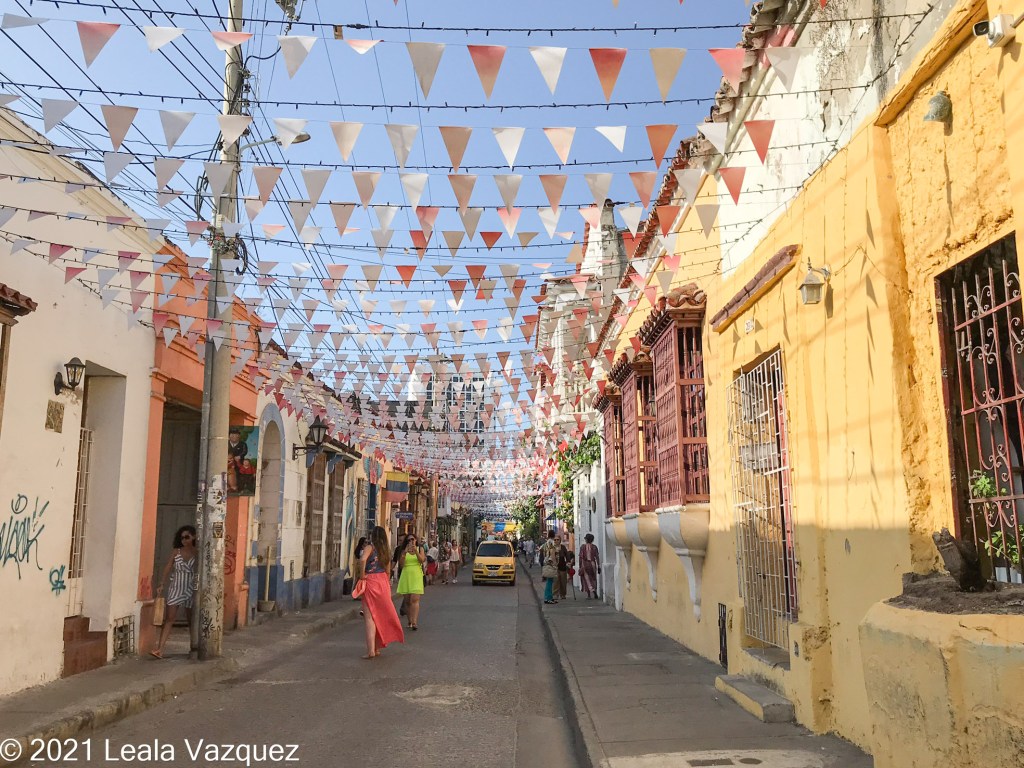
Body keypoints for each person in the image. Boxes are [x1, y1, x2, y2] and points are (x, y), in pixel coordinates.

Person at [356, 526, 404, 659]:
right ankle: (376, 648)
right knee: (380, 615)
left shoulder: (370, 547)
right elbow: (388, 569)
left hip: (371, 581)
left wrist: (362, 575)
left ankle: (371, 650)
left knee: (369, 617)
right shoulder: (385, 550)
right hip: (383, 581)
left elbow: (362, 559)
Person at [150, 525, 197, 659]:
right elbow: (168, 567)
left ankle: (194, 647)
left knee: (191, 619)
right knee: (169, 618)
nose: (184, 540)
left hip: (190, 588)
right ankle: (160, 649)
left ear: (193, 537)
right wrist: (162, 583)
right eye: (182, 538)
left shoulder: (197, 553)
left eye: (187, 537)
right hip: (176, 587)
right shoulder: (176, 552)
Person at [396, 534, 426, 630]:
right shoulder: (403, 550)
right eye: (408, 540)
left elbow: (421, 560)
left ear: (416, 540)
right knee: (408, 601)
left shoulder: (420, 549)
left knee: (415, 599)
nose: (411, 541)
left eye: (412, 539)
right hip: (406, 575)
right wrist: (405, 552)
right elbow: (401, 565)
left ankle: (414, 622)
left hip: (416, 575)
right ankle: (409, 620)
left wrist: (416, 551)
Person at [579, 533, 600, 599]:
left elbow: (581, 557)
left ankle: (589, 594)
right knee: (593, 578)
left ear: (586, 539)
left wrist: (580, 566)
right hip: (593, 564)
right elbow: (597, 557)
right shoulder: (594, 547)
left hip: (585, 564)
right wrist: (598, 566)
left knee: (586, 579)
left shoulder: (583, 547)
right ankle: (594, 590)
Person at [541, 529, 559, 604]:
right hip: (550, 562)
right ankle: (548, 598)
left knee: (549, 581)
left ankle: (549, 597)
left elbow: (541, 550)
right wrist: (554, 563)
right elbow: (552, 553)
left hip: (546, 561)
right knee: (550, 581)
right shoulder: (552, 542)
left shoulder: (546, 543)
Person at [226, 428, 247, 493]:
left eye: (236, 435)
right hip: (228, 464)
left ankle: (237, 489)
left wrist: (239, 456)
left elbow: (244, 451)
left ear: (239, 436)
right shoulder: (226, 443)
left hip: (238, 463)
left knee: (238, 475)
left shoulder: (243, 444)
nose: (234, 436)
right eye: (232, 435)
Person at [556, 535, 574, 600]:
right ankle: (556, 594)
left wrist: (568, 562)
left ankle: (563, 594)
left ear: (560, 540)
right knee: (556, 581)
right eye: (555, 540)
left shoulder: (563, 547)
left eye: (557, 539)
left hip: (562, 566)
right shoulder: (552, 547)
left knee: (563, 581)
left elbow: (567, 555)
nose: (556, 541)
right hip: (555, 567)